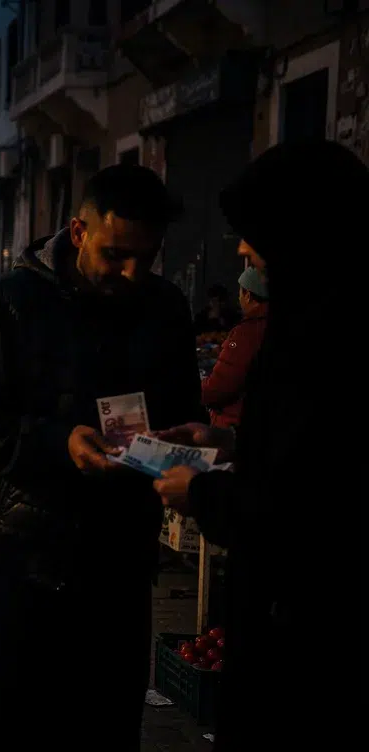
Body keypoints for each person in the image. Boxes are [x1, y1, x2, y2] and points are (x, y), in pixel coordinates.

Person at [0, 165, 204, 750]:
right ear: (79, 232)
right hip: (20, 556)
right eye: (116, 255)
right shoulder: (7, 302)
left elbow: (184, 409)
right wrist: (57, 442)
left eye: (146, 257)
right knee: (9, 722)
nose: (130, 272)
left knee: (103, 720)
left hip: (119, 554)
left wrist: (186, 438)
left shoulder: (164, 307)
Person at [152, 140, 362, 752]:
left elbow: (307, 501)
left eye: (257, 246)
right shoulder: (313, 320)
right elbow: (306, 449)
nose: (245, 259)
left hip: (308, 630)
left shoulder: (323, 337)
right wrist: (231, 439)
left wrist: (199, 491)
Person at [199, 267, 268, 429]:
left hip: (236, 426)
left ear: (248, 295)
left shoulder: (248, 331)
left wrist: (191, 391)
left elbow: (221, 386)